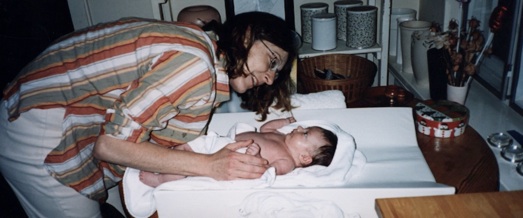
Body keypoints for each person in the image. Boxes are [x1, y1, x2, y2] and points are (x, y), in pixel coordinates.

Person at [0, 11, 298, 218]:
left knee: (121, 204)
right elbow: (111, 146)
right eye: (272, 61)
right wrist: (209, 166)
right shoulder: (195, 65)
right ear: (246, 36)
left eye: (276, 72)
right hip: (39, 124)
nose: (271, 78)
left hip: (67, 115)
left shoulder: (200, 47)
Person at [139, 117, 338, 187]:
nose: (299, 129)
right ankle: (162, 156)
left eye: (304, 134)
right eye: (303, 128)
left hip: (230, 155)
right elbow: (265, 128)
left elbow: (267, 171)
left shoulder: (287, 161)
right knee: (187, 146)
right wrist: (285, 122)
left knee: (188, 162)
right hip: (223, 143)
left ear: (304, 157)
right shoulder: (280, 136)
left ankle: (160, 180)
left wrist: (257, 156)